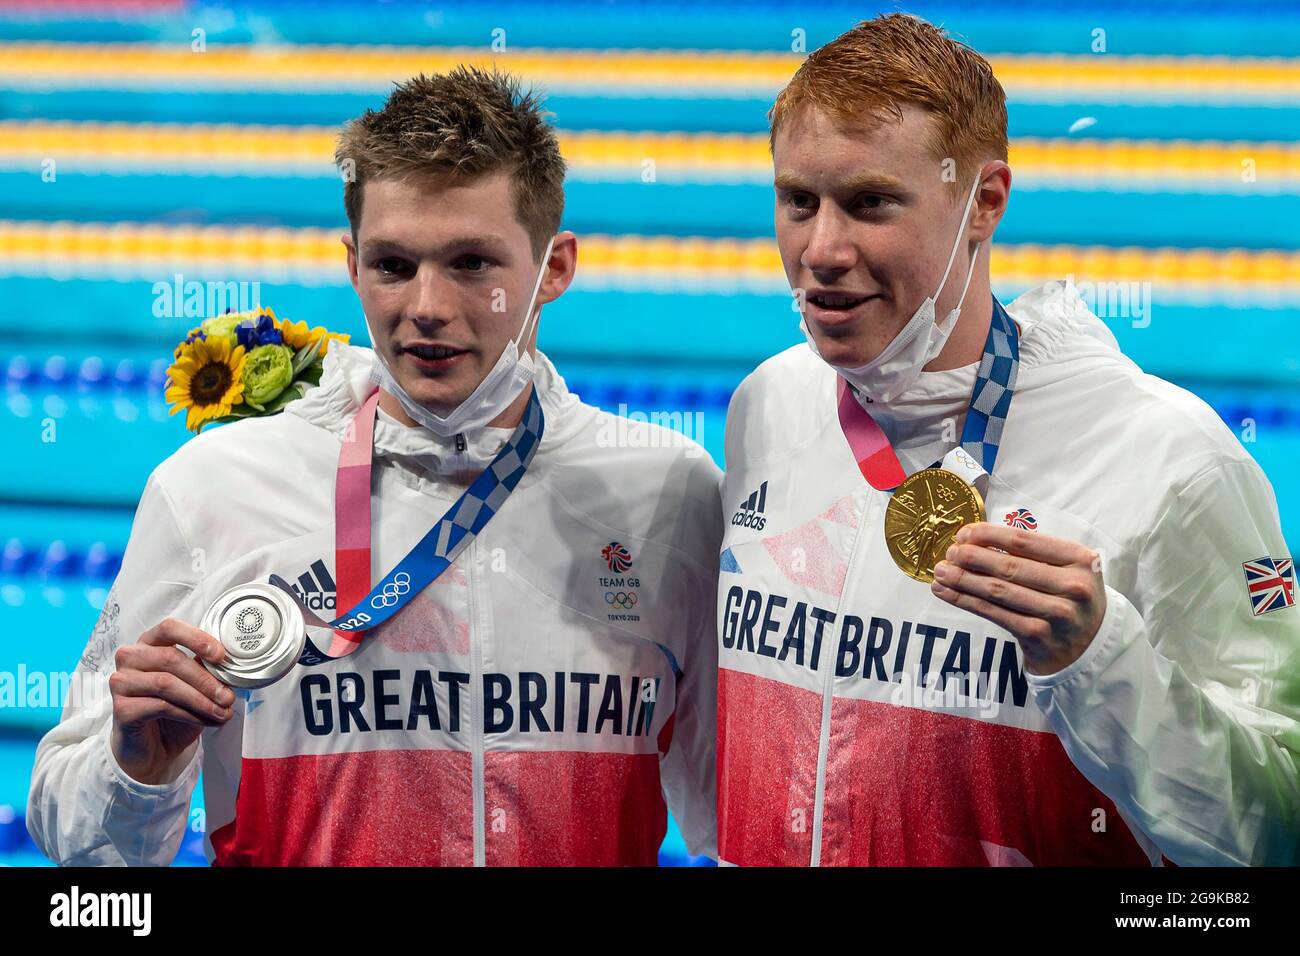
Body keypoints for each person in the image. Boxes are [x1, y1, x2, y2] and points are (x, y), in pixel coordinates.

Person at [27, 67, 722, 866]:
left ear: (553, 269)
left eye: (472, 264)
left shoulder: (665, 492)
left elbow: (730, 825)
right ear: (352, 262)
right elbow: (82, 847)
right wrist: (135, 767)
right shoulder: (213, 488)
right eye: (394, 265)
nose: (426, 304)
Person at [716, 14, 1299, 866]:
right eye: (799, 201)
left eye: (871, 202)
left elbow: (1276, 829)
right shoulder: (767, 404)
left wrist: (1102, 659)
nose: (822, 250)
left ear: (984, 202)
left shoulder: (1174, 460)